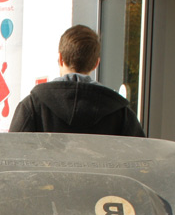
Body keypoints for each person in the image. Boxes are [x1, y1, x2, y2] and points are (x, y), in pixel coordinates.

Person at [9, 25, 145, 137]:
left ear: (60, 58)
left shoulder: (32, 106)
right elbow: (142, 162)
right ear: (96, 63)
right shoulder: (121, 113)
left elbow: (10, 156)